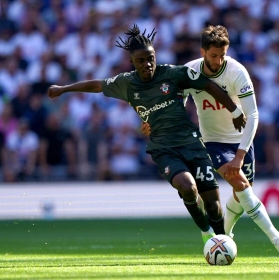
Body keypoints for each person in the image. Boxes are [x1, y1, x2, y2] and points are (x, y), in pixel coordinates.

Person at [47, 24, 246, 244]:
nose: (147, 64)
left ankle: (223, 241)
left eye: (150, 58)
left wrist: (235, 110)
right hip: (163, 148)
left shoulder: (173, 73)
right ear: (132, 61)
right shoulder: (126, 83)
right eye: (141, 60)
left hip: (192, 143)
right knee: (188, 188)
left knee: (214, 205)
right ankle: (208, 234)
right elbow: (96, 86)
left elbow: (208, 85)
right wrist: (64, 89)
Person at [142, 25, 279, 257]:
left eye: (223, 55)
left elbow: (252, 114)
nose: (219, 60)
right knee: (241, 185)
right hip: (212, 141)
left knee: (241, 196)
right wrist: (156, 123)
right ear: (203, 52)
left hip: (242, 141)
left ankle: (224, 237)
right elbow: (175, 104)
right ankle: (278, 240)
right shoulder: (190, 71)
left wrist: (241, 154)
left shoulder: (237, 72)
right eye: (214, 55)